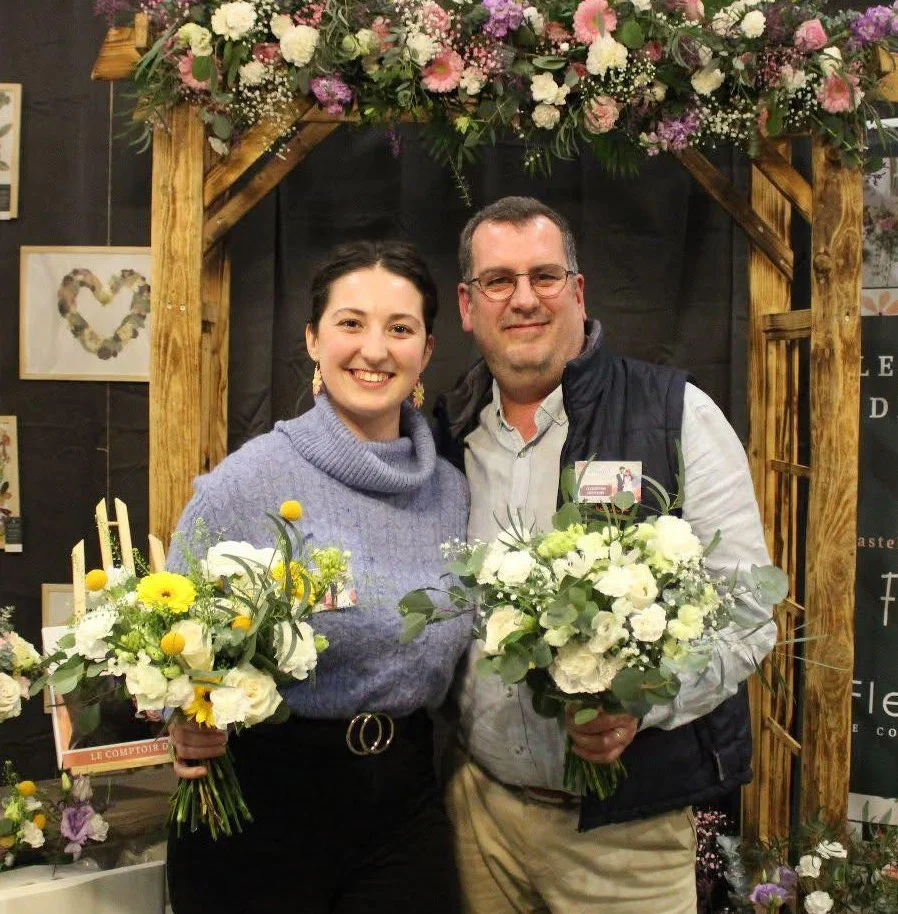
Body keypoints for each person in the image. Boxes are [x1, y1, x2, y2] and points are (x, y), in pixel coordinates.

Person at [433, 196, 778, 914]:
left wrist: (640, 707)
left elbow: (749, 610)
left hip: (627, 836)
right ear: (468, 306)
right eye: (498, 281)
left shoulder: (673, 412)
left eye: (545, 276)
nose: (524, 298)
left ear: (578, 292)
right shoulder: (445, 435)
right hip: (479, 817)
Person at [165, 240, 471, 914]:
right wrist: (184, 716)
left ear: (426, 349)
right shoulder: (245, 484)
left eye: (400, 328)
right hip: (264, 807)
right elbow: (168, 634)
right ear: (312, 339)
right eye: (351, 323)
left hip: (407, 802)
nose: (375, 349)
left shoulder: (451, 492)